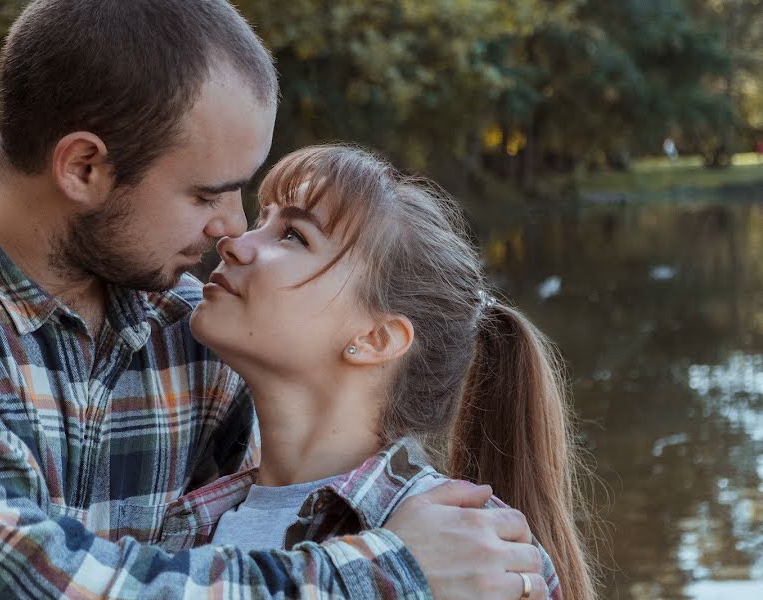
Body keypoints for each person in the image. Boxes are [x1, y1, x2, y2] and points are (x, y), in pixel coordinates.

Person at [0, 1, 546, 599]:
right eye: (206, 193)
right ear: (84, 168)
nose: (233, 229)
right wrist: (395, 575)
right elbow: (4, 586)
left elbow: (321, 456)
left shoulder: (191, 329)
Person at [177, 145, 596, 600]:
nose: (234, 243)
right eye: (263, 221)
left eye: (294, 235)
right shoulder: (192, 519)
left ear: (377, 338)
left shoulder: (480, 553)